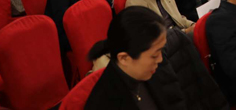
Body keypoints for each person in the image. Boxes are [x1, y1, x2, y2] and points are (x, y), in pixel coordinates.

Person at [85, 6, 227, 110]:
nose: (160, 59)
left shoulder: (150, 70)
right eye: (154, 55)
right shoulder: (105, 102)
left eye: (161, 50)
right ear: (124, 58)